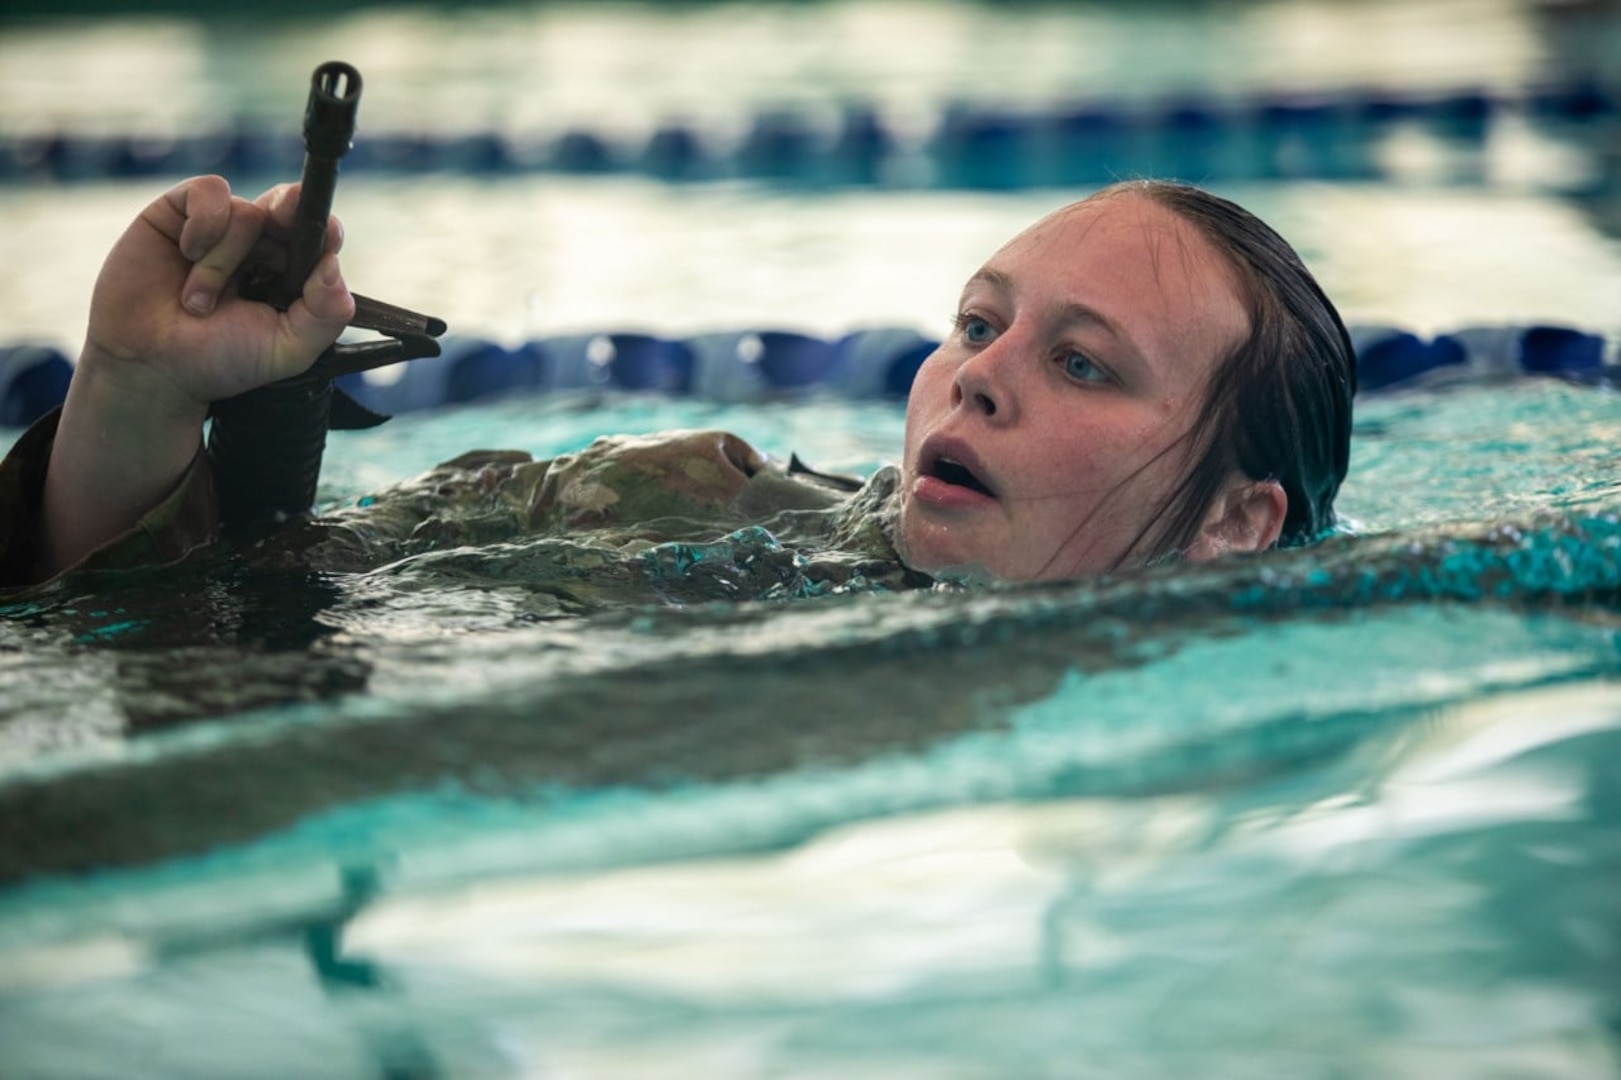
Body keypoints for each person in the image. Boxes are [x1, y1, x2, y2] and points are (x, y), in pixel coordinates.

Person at [0, 174, 1354, 594]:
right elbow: (203, 602)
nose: (976, 380)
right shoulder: (676, 511)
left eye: (1079, 362)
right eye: (976, 324)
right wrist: (136, 393)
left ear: (1237, 522)